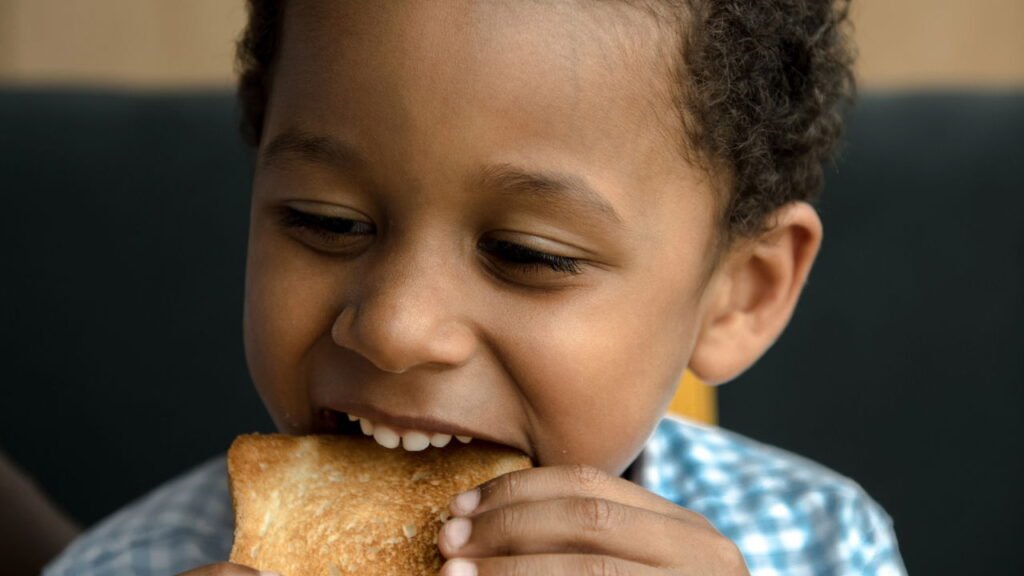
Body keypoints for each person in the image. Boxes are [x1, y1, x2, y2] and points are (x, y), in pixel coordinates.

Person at [45, 1, 906, 574]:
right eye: (327, 220)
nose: (395, 327)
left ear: (738, 295)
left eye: (526, 253)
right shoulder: (120, 564)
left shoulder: (824, 542)